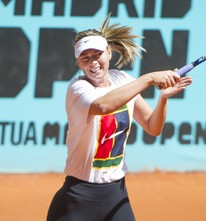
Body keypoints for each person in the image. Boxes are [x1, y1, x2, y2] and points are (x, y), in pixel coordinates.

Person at [46, 14, 192, 221]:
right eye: (85, 58)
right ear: (78, 63)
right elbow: (103, 105)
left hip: (116, 195)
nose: (93, 62)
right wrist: (149, 78)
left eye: (97, 55)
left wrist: (163, 99)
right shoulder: (78, 88)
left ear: (109, 53)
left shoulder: (122, 80)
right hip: (78, 198)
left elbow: (153, 127)